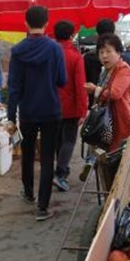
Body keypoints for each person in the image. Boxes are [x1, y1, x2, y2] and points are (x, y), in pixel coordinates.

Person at [6, 6, 67, 221]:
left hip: (28, 111)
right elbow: (62, 80)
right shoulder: (55, 49)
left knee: (28, 152)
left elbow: (13, 87)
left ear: (26, 23)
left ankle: (28, 191)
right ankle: (42, 207)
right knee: (48, 157)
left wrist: (11, 116)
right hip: (51, 110)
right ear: (47, 23)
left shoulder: (18, 51)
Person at [84, 33, 130, 153]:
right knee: (106, 154)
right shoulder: (107, 71)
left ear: (119, 52)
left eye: (109, 51)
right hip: (110, 122)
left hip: (121, 122)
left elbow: (115, 93)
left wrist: (94, 89)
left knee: (116, 156)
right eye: (101, 52)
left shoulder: (123, 70)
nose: (104, 56)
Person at [53, 20, 88, 192]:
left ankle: (62, 170)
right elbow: (80, 85)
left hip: (51, 105)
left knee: (58, 140)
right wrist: (83, 109)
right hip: (70, 106)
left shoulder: (50, 54)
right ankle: (60, 173)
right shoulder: (75, 56)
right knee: (68, 140)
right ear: (71, 35)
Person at [83, 18, 115, 107]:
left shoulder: (88, 57)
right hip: (114, 104)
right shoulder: (120, 58)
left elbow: (84, 82)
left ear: (97, 33)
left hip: (94, 104)